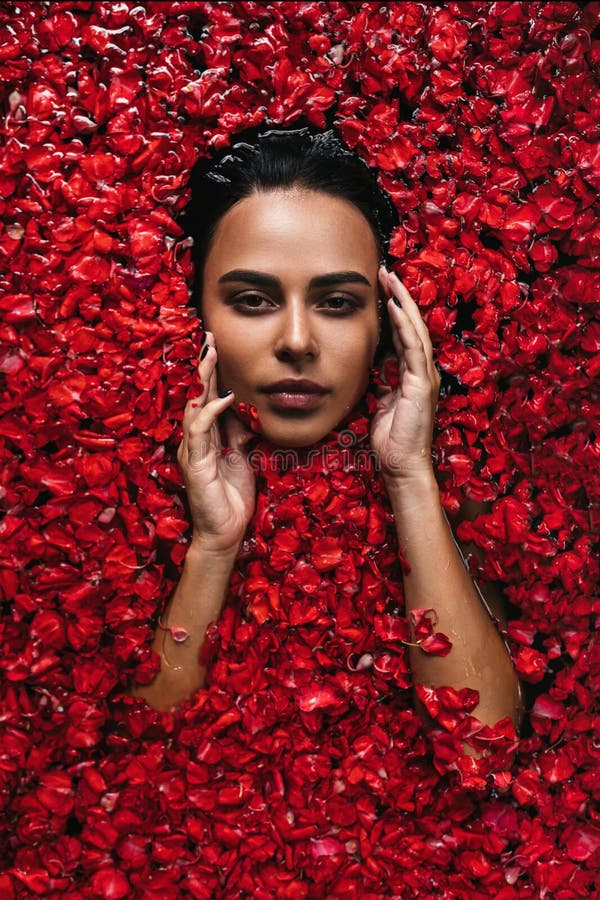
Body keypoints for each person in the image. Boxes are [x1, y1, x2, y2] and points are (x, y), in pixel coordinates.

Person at [132, 126, 522, 743]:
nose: (296, 341)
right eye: (253, 300)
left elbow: (482, 738)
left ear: (387, 324)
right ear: (196, 312)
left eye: (337, 302)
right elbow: (142, 749)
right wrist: (212, 545)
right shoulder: (134, 477)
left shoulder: (461, 480)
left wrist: (409, 475)